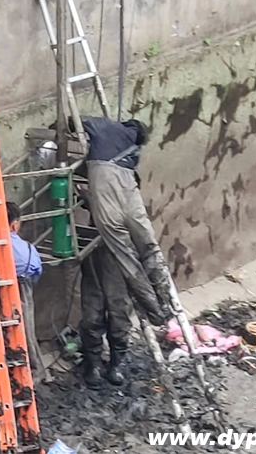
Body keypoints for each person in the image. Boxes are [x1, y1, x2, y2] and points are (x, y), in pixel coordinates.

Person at [77, 115, 172, 327]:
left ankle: (155, 313)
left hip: (107, 208)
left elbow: (70, 121)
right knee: (150, 250)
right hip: (131, 199)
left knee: (129, 262)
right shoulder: (132, 153)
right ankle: (167, 301)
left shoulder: (103, 125)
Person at [80, 242, 133, 389]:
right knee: (92, 315)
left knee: (120, 317)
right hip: (92, 248)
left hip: (121, 252)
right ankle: (93, 364)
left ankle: (116, 363)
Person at [6, 202, 47, 382]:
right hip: (23, 286)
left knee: (9, 333)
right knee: (25, 330)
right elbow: (37, 269)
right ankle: (35, 373)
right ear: (15, 224)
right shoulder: (26, 249)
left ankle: (21, 372)